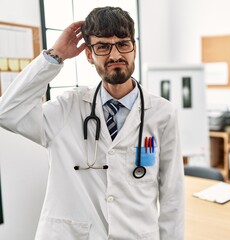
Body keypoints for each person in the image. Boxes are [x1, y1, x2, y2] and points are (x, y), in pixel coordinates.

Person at [0, 6, 184, 240]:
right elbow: (7, 112)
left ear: (134, 49)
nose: (115, 55)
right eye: (103, 46)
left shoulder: (162, 114)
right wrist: (55, 56)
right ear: (89, 54)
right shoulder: (67, 107)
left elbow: (172, 197)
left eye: (123, 44)